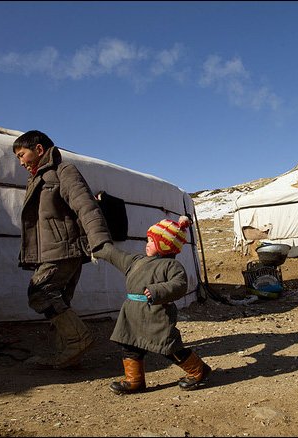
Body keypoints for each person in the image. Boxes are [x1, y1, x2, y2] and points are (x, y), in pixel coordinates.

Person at [13, 130, 113, 369]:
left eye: (21, 154)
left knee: (40, 292)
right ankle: (67, 354)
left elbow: (85, 205)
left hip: (64, 249)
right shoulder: (38, 178)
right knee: (60, 299)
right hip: (52, 250)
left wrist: (99, 240)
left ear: (38, 149)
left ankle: (77, 340)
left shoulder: (63, 171)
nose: (20, 162)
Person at [92, 215, 212, 394]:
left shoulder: (172, 266)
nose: (146, 243)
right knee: (130, 345)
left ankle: (199, 370)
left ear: (165, 244)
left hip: (156, 315)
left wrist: (157, 291)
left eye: (151, 240)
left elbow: (179, 285)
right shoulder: (136, 261)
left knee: (168, 348)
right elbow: (116, 255)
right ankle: (135, 381)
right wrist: (99, 247)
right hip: (132, 314)